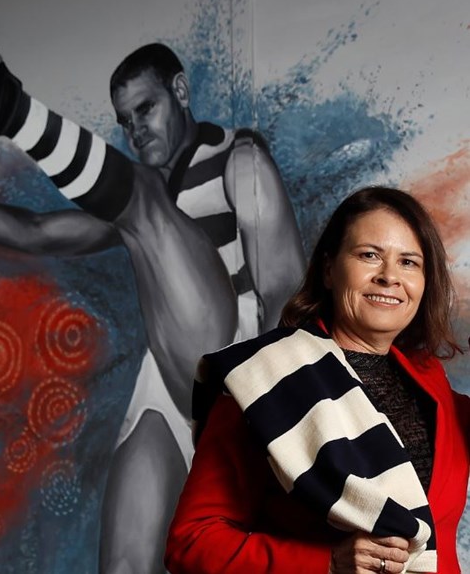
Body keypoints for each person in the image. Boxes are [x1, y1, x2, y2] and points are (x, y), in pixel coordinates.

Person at [0, 0, 306, 573]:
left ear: (181, 92)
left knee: (140, 194)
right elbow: (39, 233)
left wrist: (274, 429)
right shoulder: (138, 213)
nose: (135, 129)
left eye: (146, 109)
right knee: (123, 567)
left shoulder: (240, 160)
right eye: (124, 120)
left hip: (243, 365)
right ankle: (2, 103)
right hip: (169, 381)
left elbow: (285, 294)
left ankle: (9, 106)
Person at [165, 186, 470, 574]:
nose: (389, 276)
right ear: (329, 269)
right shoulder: (267, 380)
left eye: (409, 262)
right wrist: (326, 563)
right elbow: (190, 542)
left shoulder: (434, 389)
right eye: (369, 255)